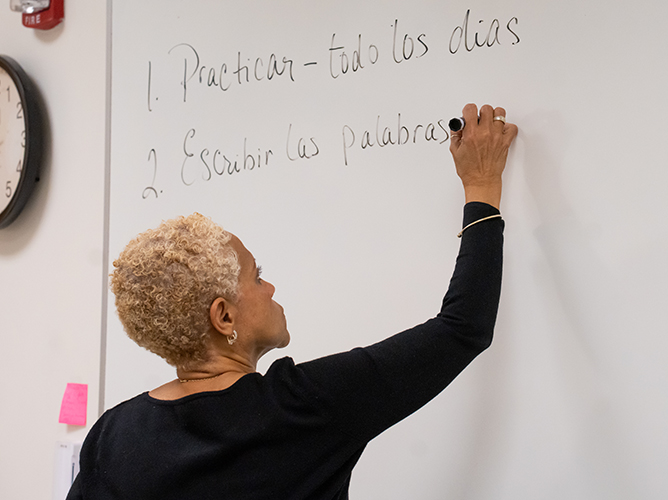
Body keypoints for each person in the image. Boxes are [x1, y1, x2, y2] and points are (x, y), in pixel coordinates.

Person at [67, 103, 518, 500]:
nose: (271, 289)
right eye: (256, 277)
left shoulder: (112, 436)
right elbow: (463, 328)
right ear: (224, 317)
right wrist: (481, 186)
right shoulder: (305, 408)